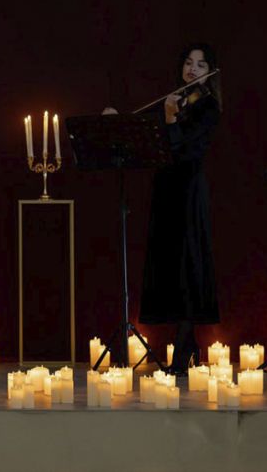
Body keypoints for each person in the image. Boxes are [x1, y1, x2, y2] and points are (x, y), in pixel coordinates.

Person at [105, 43, 223, 373]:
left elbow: (183, 150)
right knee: (169, 266)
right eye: (188, 62)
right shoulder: (175, 99)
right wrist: (118, 121)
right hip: (166, 190)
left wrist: (170, 120)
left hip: (189, 191)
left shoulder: (208, 107)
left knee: (187, 266)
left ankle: (184, 347)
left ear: (210, 71)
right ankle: (187, 343)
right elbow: (144, 134)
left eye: (200, 64)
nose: (192, 68)